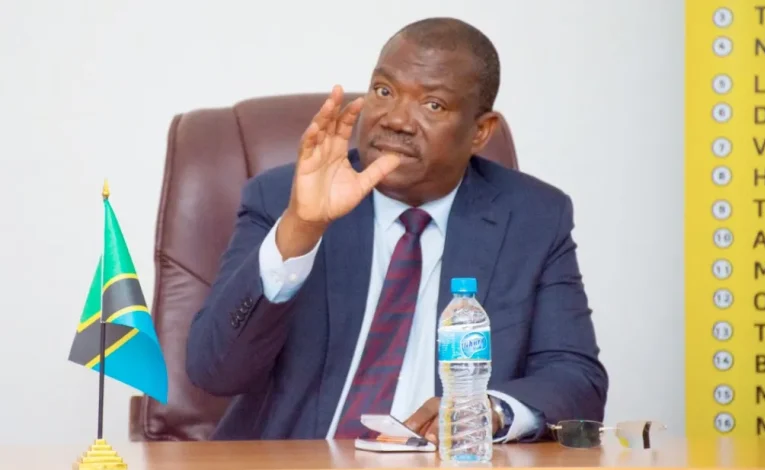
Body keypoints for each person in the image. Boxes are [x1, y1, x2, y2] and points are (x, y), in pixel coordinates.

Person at [185, 17, 608, 444]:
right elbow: (212, 371)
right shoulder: (285, 197)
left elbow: (576, 379)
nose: (397, 121)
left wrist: (489, 411)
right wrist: (301, 229)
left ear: (480, 132)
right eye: (384, 91)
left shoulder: (532, 218)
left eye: (433, 105)